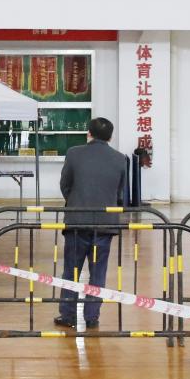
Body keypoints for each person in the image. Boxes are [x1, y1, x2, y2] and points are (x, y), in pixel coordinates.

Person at [55, 117, 128, 329]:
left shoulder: (74, 153)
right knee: (98, 272)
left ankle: (67, 314)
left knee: (71, 270)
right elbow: (120, 193)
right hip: (105, 225)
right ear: (110, 137)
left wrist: (76, 202)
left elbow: (65, 184)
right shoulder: (120, 159)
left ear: (89, 133)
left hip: (77, 223)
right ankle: (92, 316)